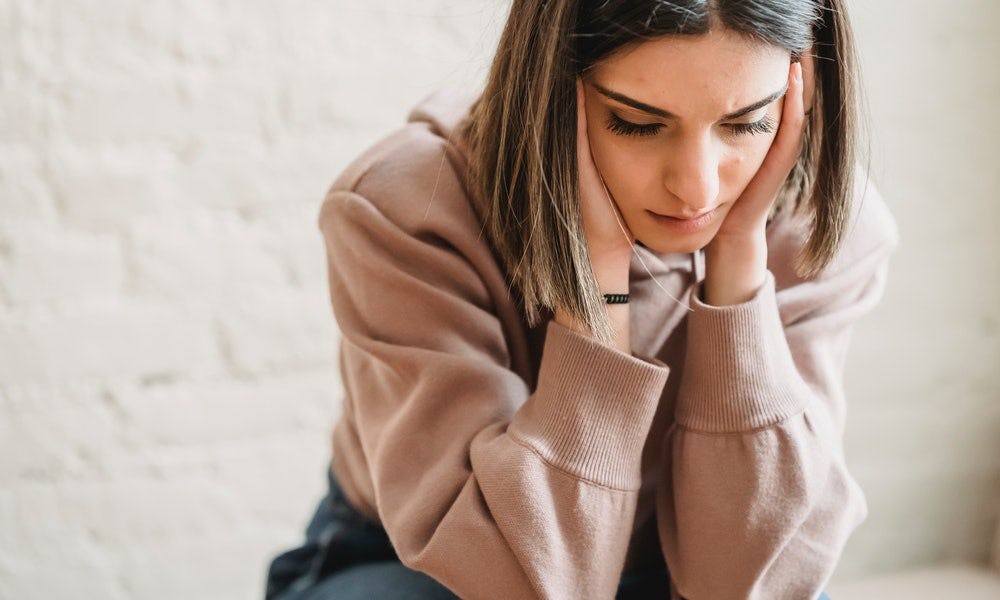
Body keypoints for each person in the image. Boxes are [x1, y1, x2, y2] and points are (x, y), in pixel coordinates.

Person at [264, 0, 898, 598]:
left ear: (802, 89)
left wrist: (738, 270)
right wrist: (591, 282)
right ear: (548, 88)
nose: (696, 189)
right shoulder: (406, 211)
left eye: (746, 122)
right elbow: (526, 581)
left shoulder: (825, 229)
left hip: (666, 565)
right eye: (638, 123)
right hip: (424, 563)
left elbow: (742, 585)